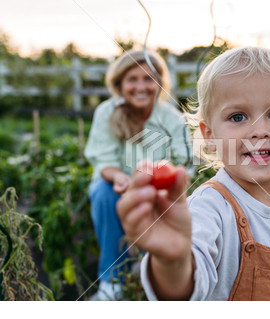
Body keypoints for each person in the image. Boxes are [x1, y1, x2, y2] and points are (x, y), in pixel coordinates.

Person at [116, 46, 270, 301]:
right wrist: (173, 262)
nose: (259, 131)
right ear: (210, 136)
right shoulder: (210, 207)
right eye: (238, 116)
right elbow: (189, 286)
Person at [84, 49, 192, 300]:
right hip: (116, 186)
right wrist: (119, 178)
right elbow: (104, 160)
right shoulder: (106, 112)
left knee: (162, 207)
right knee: (102, 192)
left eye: (148, 79)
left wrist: (157, 183)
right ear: (119, 83)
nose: (141, 86)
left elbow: (184, 163)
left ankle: (151, 281)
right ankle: (111, 283)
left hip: (159, 187)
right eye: (133, 79)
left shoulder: (173, 119)